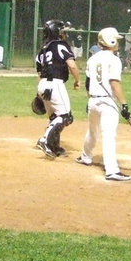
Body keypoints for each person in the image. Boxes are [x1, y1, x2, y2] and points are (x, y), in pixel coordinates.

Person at [76, 27, 131, 181]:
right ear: (111, 41)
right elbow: (114, 84)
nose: (118, 43)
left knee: (92, 131)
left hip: (93, 100)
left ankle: (85, 156)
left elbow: (88, 84)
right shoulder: (114, 60)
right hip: (107, 103)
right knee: (108, 135)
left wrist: (89, 99)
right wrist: (124, 104)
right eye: (116, 40)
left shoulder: (92, 58)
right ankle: (112, 170)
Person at [35, 19, 81, 159]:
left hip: (43, 84)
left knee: (54, 117)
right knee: (66, 117)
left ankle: (54, 147)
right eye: (61, 31)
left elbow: (39, 73)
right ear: (56, 32)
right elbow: (72, 65)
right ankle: (44, 140)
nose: (63, 33)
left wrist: (40, 95)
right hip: (55, 84)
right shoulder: (61, 45)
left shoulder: (42, 50)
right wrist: (77, 80)